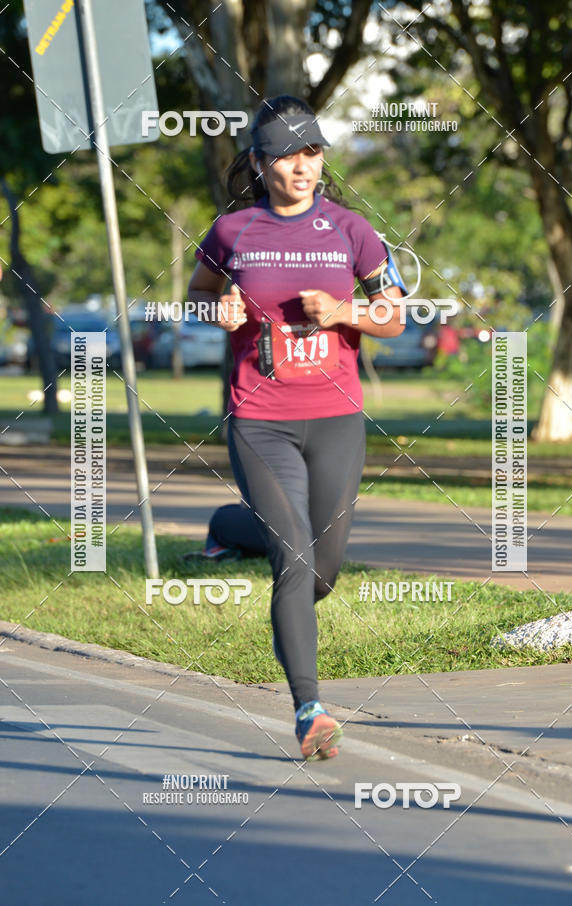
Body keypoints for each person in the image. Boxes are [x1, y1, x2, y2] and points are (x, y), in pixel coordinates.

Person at [188, 95, 406, 761]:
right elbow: (197, 295)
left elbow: (394, 317)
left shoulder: (352, 230)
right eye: (287, 155)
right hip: (260, 420)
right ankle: (310, 709)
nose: (303, 165)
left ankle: (230, 528)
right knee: (296, 559)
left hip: (337, 419)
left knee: (322, 571)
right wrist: (218, 313)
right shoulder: (232, 232)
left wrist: (344, 312)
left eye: (312, 152)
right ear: (260, 163)